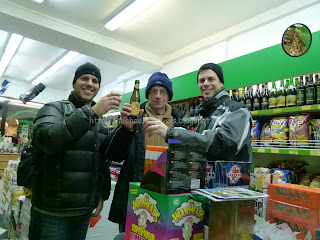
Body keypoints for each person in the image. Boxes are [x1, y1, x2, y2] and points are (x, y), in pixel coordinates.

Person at [29, 62, 140, 240]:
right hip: (52, 210)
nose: (90, 83)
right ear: (74, 82)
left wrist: (126, 130)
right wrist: (92, 112)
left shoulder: (99, 123)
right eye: (84, 78)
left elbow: (107, 159)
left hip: (83, 210)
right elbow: (48, 140)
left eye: (95, 80)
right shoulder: (54, 108)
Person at [108, 72, 186, 232]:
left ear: (169, 96)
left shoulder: (179, 122)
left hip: (167, 194)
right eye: (153, 91)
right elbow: (114, 154)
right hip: (136, 192)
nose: (158, 96)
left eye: (163, 91)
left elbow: (183, 159)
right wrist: (125, 129)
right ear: (147, 94)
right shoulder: (133, 116)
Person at [144, 63, 252, 163]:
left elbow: (224, 147)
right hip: (207, 182)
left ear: (221, 83)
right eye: (201, 81)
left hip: (232, 181)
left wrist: (171, 133)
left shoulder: (237, 111)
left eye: (211, 79)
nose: (205, 84)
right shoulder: (206, 116)